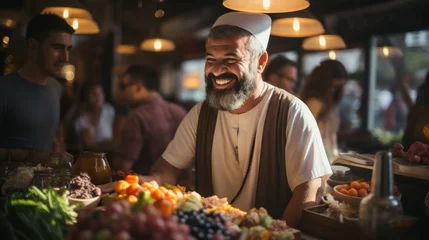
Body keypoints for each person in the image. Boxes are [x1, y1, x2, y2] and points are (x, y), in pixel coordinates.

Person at [104, 12, 331, 228]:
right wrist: (130, 184)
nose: (217, 70)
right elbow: (165, 172)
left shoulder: (292, 112)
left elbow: (309, 192)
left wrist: (273, 235)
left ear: (260, 62)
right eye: (211, 59)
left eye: (231, 58)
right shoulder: (202, 113)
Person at [0, 14, 74, 163]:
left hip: (46, 185)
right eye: (57, 48)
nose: (65, 58)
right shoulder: (4, 88)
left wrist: (57, 150)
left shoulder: (56, 88)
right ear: (33, 45)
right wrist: (29, 155)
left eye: (68, 49)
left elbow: (43, 135)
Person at [110, 65, 187, 175]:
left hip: (147, 188)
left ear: (138, 87)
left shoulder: (136, 117)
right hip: (181, 188)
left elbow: (124, 166)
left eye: (123, 87)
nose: (121, 93)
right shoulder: (179, 111)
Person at [299, 60, 347, 164]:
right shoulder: (315, 103)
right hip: (316, 162)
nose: (334, 91)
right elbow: (307, 137)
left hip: (327, 160)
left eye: (338, 87)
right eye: (333, 86)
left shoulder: (330, 105)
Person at [73, 82, 115, 152]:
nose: (98, 96)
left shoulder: (109, 110)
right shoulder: (81, 117)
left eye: (101, 93)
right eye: (93, 93)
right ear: (86, 96)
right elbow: (89, 145)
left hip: (111, 153)